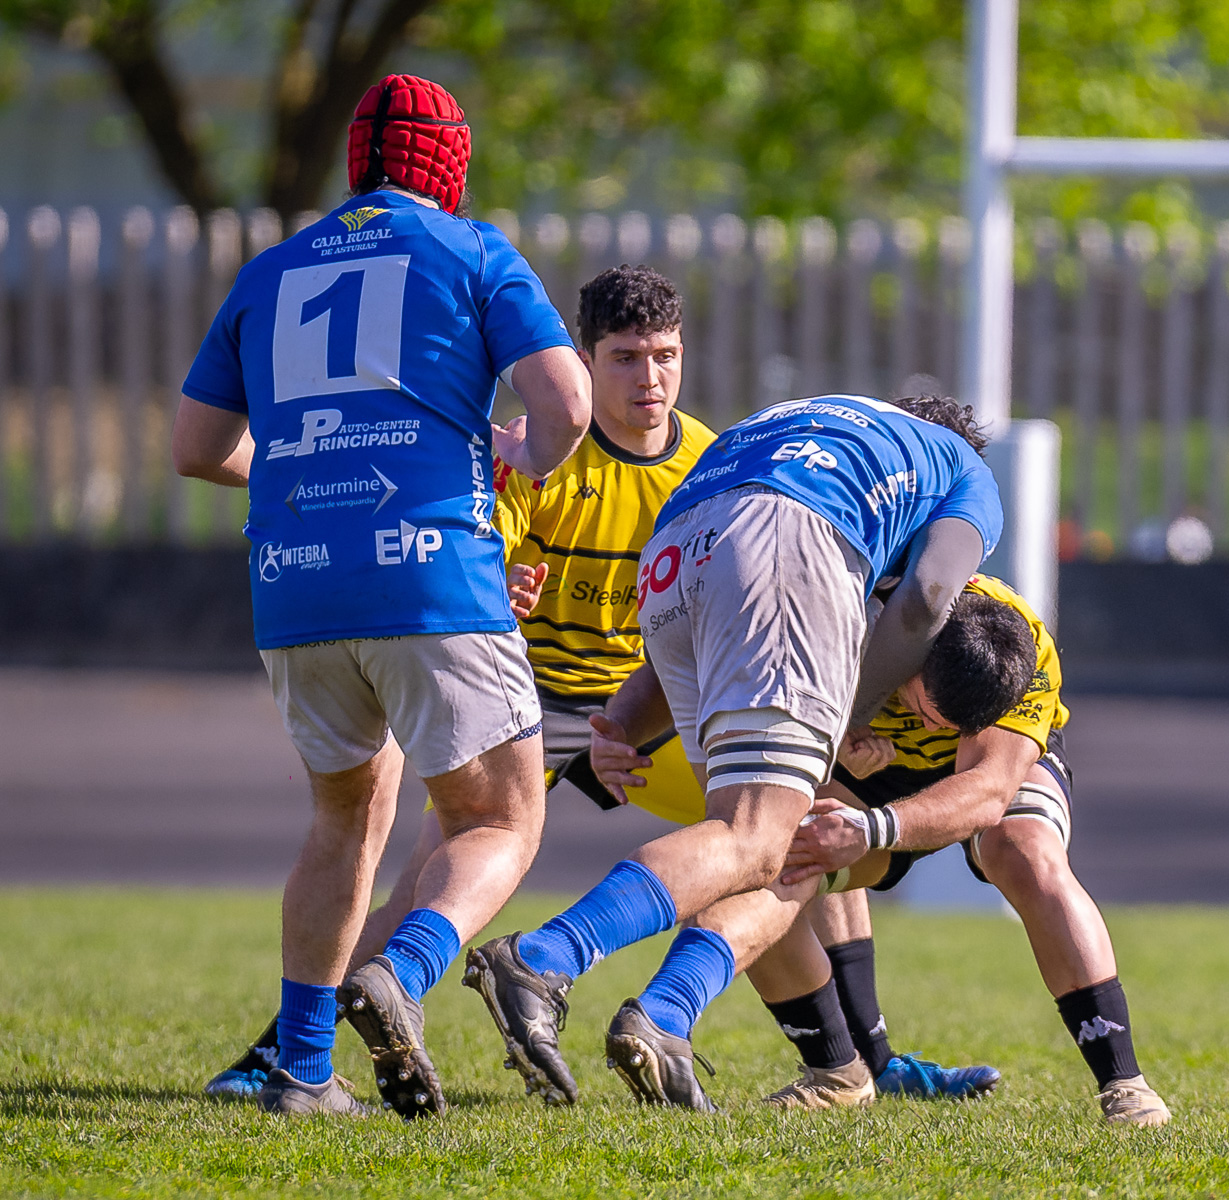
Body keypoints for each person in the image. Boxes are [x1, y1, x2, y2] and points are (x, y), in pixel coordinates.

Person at [173, 73, 590, 1118]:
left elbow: (194, 448)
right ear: (448, 166)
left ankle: (304, 1072)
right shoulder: (473, 251)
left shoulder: (272, 270)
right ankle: (399, 973)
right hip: (429, 570)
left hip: (294, 586)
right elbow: (569, 404)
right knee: (500, 820)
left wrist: (300, 477)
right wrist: (521, 461)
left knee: (343, 822)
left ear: (356, 161)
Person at [463, 393, 1004, 1108]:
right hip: (786, 541)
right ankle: (543, 957)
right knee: (757, 838)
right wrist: (853, 712)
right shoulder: (961, 469)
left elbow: (732, 559)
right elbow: (932, 593)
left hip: (673, 554)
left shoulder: (817, 421)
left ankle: (693, 1028)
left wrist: (625, 717)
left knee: (760, 844)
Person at [596, 574, 1173, 1126]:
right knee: (781, 853)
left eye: (952, 725)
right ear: (914, 655)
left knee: (1023, 849)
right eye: (926, 711)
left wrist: (872, 829)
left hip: (984, 777)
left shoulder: (1022, 648)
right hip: (861, 769)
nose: (933, 728)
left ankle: (1124, 1082)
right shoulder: (850, 609)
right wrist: (623, 723)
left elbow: (988, 790)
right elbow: (700, 647)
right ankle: (736, 1036)